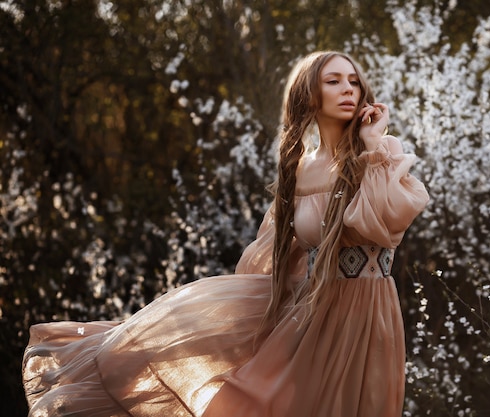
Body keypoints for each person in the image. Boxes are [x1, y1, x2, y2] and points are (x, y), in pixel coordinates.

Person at [22, 50, 429, 417]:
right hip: (312, 312)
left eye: (354, 81)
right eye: (334, 81)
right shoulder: (301, 169)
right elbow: (276, 253)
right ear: (309, 95)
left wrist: (372, 145)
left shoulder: (379, 152)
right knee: (259, 403)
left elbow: (382, 225)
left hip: (369, 310)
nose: (348, 90)